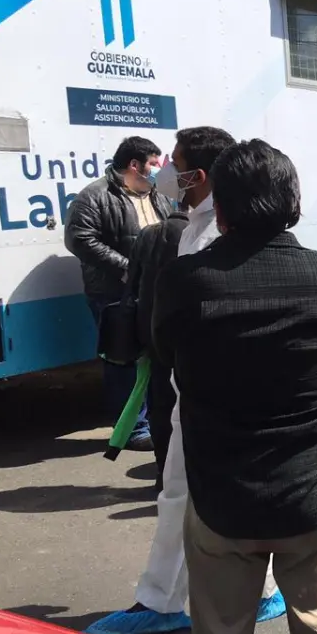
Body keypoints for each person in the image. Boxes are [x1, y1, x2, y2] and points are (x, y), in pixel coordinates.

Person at [154, 140, 317, 634]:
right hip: (314, 487)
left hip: (222, 492)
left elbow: (165, 352)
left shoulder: (186, 281)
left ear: (218, 209)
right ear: (293, 202)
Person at [85, 126, 285, 634]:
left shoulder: (222, 228)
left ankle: (175, 600)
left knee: (199, 493)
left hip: (217, 393)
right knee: (192, 493)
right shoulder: (196, 223)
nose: (165, 172)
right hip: (193, 386)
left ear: (198, 174)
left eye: (173, 162)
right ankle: (201, 596)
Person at [65, 136, 172, 452]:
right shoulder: (95, 196)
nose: (157, 170)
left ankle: (153, 420)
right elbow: (79, 238)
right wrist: (126, 268)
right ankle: (132, 429)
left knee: (154, 359)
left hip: (152, 290)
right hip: (114, 293)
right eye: (153, 164)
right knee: (122, 360)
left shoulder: (157, 196)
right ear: (135, 165)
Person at [126, 188, 190, 491]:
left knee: (160, 405)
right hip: (186, 335)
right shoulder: (198, 235)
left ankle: (162, 473)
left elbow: (132, 281)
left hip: (151, 331)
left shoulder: (147, 235)